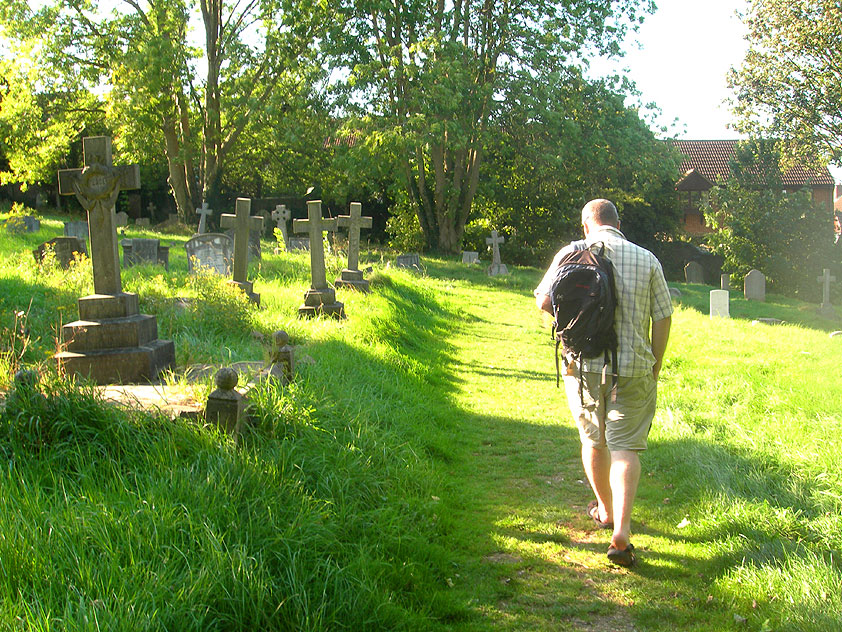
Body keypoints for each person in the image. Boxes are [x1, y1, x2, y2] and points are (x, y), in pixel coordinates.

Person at [534, 199, 673, 567]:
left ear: (586, 226)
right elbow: (663, 316)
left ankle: (605, 510)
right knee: (625, 449)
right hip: (633, 367)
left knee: (593, 440)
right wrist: (656, 361)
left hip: (582, 364)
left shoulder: (571, 252)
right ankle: (621, 533)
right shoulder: (646, 259)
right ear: (618, 223)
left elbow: (544, 300)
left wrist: (576, 321)